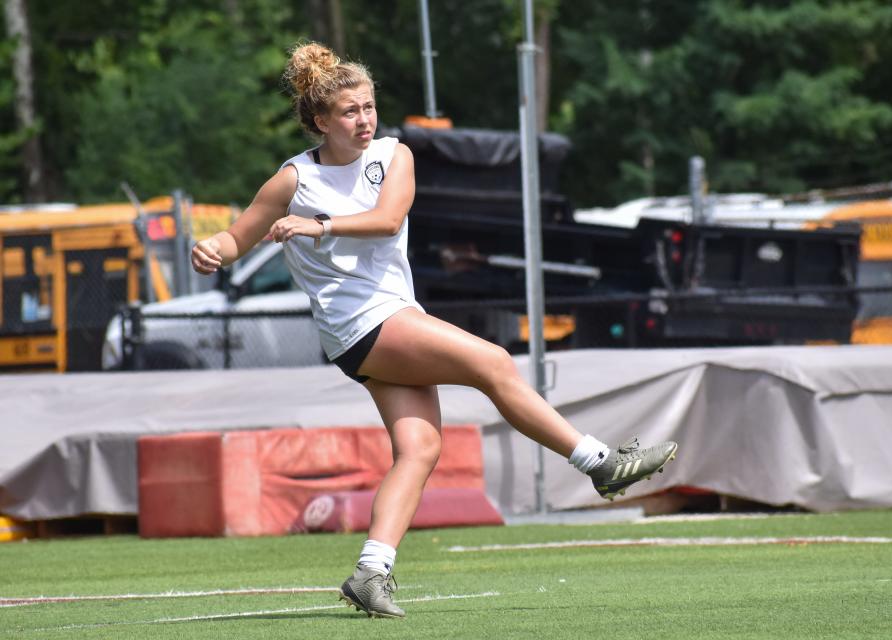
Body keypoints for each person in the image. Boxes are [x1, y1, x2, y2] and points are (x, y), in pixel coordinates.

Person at [191, 41, 678, 619]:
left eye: (368, 106)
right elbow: (238, 236)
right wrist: (211, 250)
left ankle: (371, 573)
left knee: (420, 448)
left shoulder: (395, 155)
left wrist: (319, 225)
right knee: (495, 362)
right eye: (349, 112)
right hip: (363, 325)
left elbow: (387, 219)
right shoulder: (292, 179)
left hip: (389, 321)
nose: (364, 119)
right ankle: (599, 463)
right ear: (321, 120)